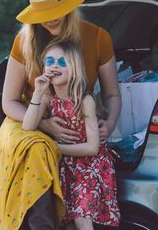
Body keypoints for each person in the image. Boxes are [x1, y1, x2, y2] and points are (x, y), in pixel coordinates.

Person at [0, 0, 121, 230]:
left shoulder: (97, 38)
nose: (51, 19)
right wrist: (44, 126)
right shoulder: (25, 41)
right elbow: (9, 102)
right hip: (28, 116)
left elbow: (111, 95)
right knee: (38, 149)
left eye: (57, 9)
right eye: (42, 14)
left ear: (69, 7)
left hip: (76, 124)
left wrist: (107, 125)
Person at [22, 41, 121, 230]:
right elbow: (28, 126)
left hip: (90, 167)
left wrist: (54, 147)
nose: (54, 65)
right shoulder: (47, 97)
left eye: (62, 62)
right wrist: (37, 92)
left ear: (74, 68)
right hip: (65, 168)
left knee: (82, 219)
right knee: (66, 221)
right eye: (49, 61)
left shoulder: (85, 101)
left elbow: (92, 148)